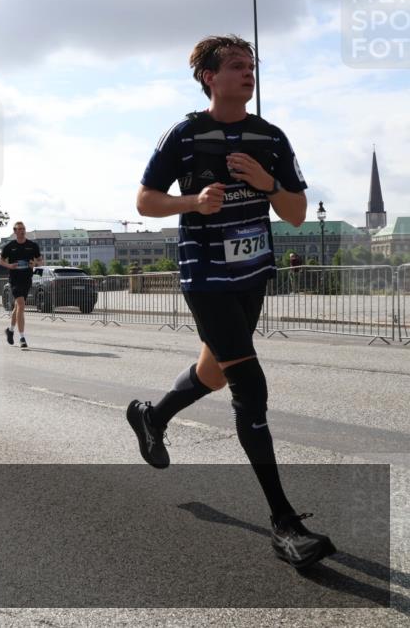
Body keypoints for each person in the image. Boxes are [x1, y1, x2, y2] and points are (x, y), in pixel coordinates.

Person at [128, 34, 333, 570]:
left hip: (253, 274)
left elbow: (294, 213)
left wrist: (267, 182)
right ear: (209, 77)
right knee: (250, 385)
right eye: (238, 66)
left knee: (214, 373)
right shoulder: (186, 133)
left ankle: (152, 416)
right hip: (207, 277)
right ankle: (284, 523)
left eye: (252, 65)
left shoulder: (270, 137)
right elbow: (145, 200)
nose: (249, 73)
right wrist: (191, 201)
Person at [0, 221, 41, 348]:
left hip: (27, 279)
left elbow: (40, 260)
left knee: (18, 307)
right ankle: (22, 337)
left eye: (23, 229)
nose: (22, 231)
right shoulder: (10, 246)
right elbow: (0, 260)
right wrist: (9, 265)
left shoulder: (32, 245)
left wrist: (35, 264)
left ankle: (10, 330)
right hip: (15, 279)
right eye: (19, 229)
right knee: (21, 305)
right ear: (15, 231)